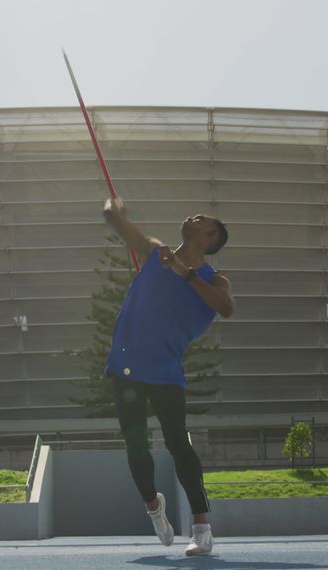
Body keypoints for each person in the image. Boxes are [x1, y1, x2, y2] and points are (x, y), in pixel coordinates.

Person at [101, 197, 235, 557]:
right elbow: (119, 224)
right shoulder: (154, 253)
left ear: (209, 236)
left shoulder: (214, 279)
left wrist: (184, 272)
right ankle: (153, 506)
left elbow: (226, 308)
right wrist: (114, 211)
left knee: (179, 445)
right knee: (136, 447)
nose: (192, 215)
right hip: (126, 366)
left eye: (201, 218)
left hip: (165, 372)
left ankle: (201, 528)